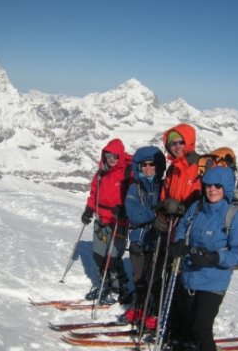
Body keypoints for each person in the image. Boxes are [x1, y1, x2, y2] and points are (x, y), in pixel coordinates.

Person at [171, 166, 238, 351]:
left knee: (201, 327)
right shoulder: (196, 208)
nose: (212, 190)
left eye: (217, 186)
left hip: (214, 281)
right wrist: (178, 244)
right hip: (190, 276)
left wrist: (215, 257)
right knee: (187, 319)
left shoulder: (233, 216)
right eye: (208, 185)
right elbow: (182, 227)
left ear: (226, 188)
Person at [81, 138, 131, 304]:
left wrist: (125, 210)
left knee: (113, 259)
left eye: (115, 156)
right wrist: (89, 209)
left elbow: (132, 197)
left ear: (120, 156)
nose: (111, 159)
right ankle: (105, 284)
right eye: (108, 155)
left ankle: (120, 288)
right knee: (99, 256)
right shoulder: (101, 174)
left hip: (118, 222)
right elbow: (94, 193)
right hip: (101, 220)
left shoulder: (127, 174)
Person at [123, 146, 166, 324]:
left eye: (152, 164)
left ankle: (153, 310)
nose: (148, 168)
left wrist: (151, 214)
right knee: (139, 277)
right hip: (139, 240)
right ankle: (139, 306)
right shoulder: (135, 188)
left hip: (158, 239)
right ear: (138, 167)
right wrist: (155, 213)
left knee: (154, 277)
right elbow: (133, 214)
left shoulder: (164, 186)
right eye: (144, 165)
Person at [154, 123, 202, 235]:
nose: (178, 147)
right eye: (173, 143)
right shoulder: (172, 169)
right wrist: (162, 214)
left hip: (192, 229)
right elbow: (164, 197)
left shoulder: (201, 166)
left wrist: (181, 209)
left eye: (181, 142)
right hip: (171, 228)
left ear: (189, 142)